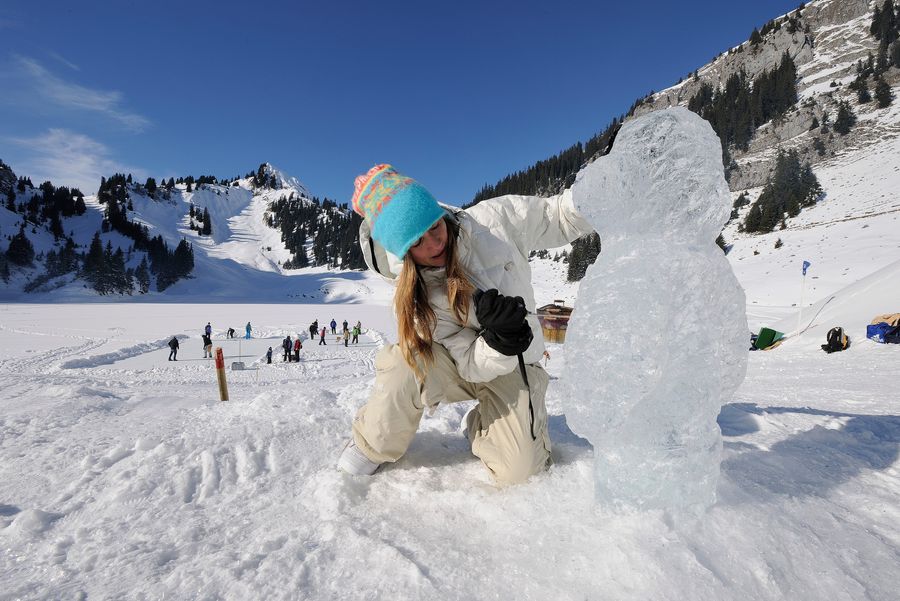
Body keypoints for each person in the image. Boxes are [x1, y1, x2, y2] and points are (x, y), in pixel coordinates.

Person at [336, 164, 592, 485]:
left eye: (434, 226)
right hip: (458, 366)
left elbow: (560, 216)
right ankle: (371, 445)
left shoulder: (496, 220)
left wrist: (600, 186)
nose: (434, 243)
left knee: (520, 471)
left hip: (514, 364)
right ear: (404, 252)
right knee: (405, 363)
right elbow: (469, 363)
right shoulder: (418, 293)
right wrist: (497, 339)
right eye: (417, 241)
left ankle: (478, 426)